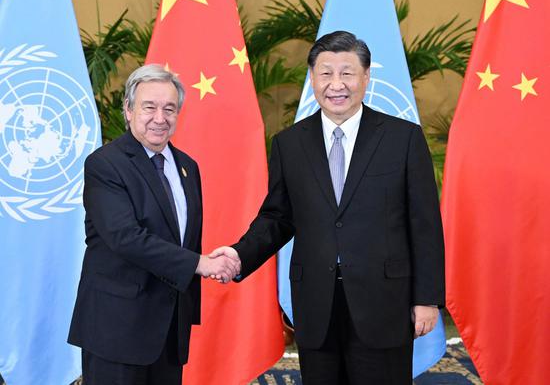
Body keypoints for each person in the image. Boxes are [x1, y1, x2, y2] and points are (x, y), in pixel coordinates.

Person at [212, 31, 445, 384]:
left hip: (383, 301)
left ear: (366, 78)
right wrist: (238, 254)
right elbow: (278, 217)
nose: (336, 84)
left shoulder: (403, 139)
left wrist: (427, 299)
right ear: (312, 79)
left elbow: (424, 224)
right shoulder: (290, 144)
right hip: (316, 303)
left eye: (347, 73)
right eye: (326, 73)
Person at [68, 64, 240, 385]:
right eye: (149, 107)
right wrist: (201, 265)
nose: (160, 118)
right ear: (129, 110)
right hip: (117, 330)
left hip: (169, 330)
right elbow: (125, 237)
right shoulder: (105, 164)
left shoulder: (188, 167)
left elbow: (185, 239)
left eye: (169, 109)